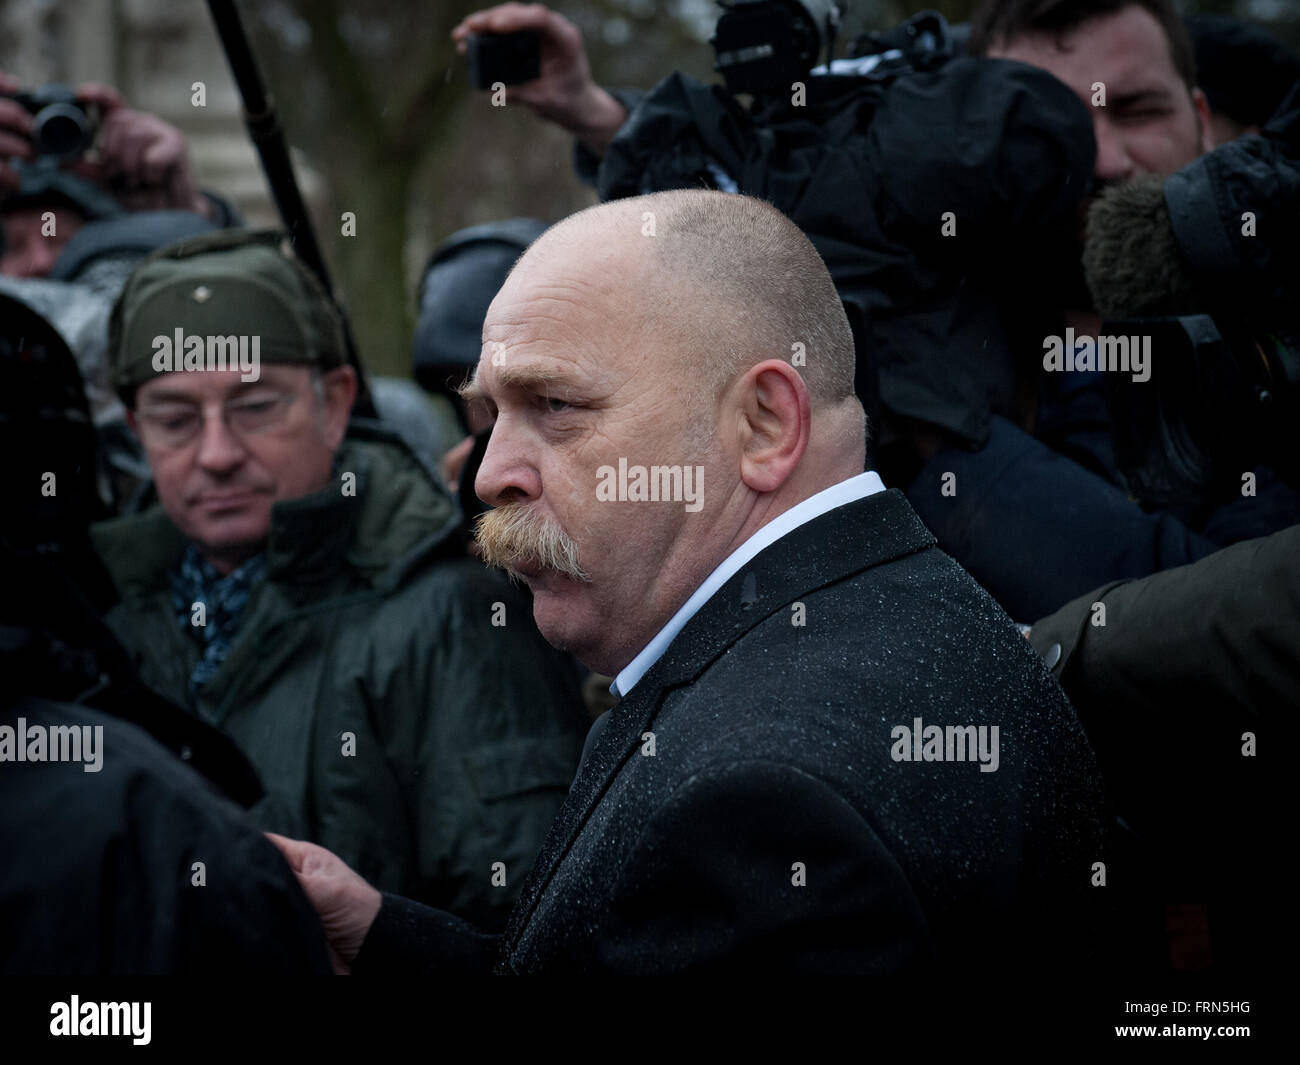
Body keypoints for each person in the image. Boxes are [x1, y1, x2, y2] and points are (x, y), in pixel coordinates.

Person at [272, 190, 1104, 976]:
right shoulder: (895, 607)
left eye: (555, 404)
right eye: (491, 415)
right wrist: (386, 943)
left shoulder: (762, 805)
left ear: (765, 424)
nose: (491, 473)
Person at [91, 227, 589, 930]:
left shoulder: (450, 611)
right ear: (134, 427)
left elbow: (519, 930)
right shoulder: (93, 617)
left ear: (334, 401)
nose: (216, 454)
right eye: (173, 418)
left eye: (256, 406)